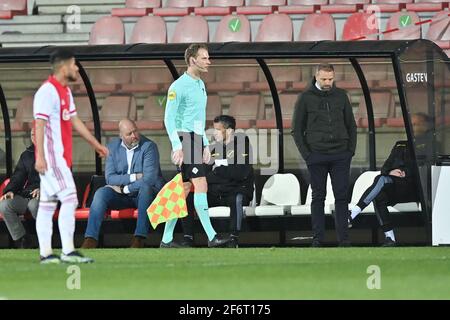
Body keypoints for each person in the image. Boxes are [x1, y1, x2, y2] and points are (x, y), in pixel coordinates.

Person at [33, 49, 109, 264]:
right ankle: (68, 251)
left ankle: (46, 254)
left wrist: (96, 145)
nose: (76, 68)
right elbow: (39, 124)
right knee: (70, 198)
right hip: (52, 157)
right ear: (64, 67)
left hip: (59, 157)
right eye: (74, 64)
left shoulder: (64, 92)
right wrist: (40, 156)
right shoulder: (47, 92)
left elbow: (74, 121)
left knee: (47, 205)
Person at [161, 43, 230, 248]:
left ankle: (166, 239)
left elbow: (198, 118)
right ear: (192, 60)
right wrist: (177, 145)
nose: (209, 61)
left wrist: (206, 144)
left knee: (184, 188)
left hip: (195, 138)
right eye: (204, 58)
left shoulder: (200, 83)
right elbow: (168, 118)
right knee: (201, 183)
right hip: (185, 138)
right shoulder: (178, 86)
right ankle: (211, 236)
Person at [291, 63, 357, 247]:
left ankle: (344, 240)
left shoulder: (341, 96)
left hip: (341, 155)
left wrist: (349, 151)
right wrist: (308, 155)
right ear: (316, 77)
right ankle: (318, 239)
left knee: (342, 197)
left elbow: (351, 125)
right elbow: (296, 129)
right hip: (316, 155)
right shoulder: (305, 98)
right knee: (318, 197)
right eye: (324, 79)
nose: (328, 82)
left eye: (330, 79)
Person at [348, 113, 431, 246]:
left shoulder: (430, 144)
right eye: (411, 124)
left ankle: (353, 214)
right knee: (379, 191)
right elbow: (386, 165)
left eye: (416, 124)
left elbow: (425, 166)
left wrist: (405, 172)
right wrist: (390, 171)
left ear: (426, 126)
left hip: (415, 188)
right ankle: (390, 238)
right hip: (396, 186)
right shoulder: (400, 145)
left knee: (380, 180)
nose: (412, 127)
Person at [81, 119, 165, 249]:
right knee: (101, 193)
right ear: (121, 136)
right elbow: (110, 179)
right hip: (122, 195)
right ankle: (90, 239)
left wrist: (125, 188)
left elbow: (149, 179)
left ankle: (139, 238)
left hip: (144, 195)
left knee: (145, 188)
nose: (134, 136)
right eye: (129, 134)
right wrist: (135, 176)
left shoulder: (149, 146)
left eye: (135, 131)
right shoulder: (112, 148)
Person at [0, 127, 39, 248]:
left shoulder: (56, 153)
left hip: (49, 196)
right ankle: (23, 239)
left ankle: (44, 240)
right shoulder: (27, 155)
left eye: (37, 134)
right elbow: (18, 176)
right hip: (28, 194)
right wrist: (10, 190)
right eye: (32, 134)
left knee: (34, 205)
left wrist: (44, 190)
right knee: (5, 205)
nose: (34, 137)